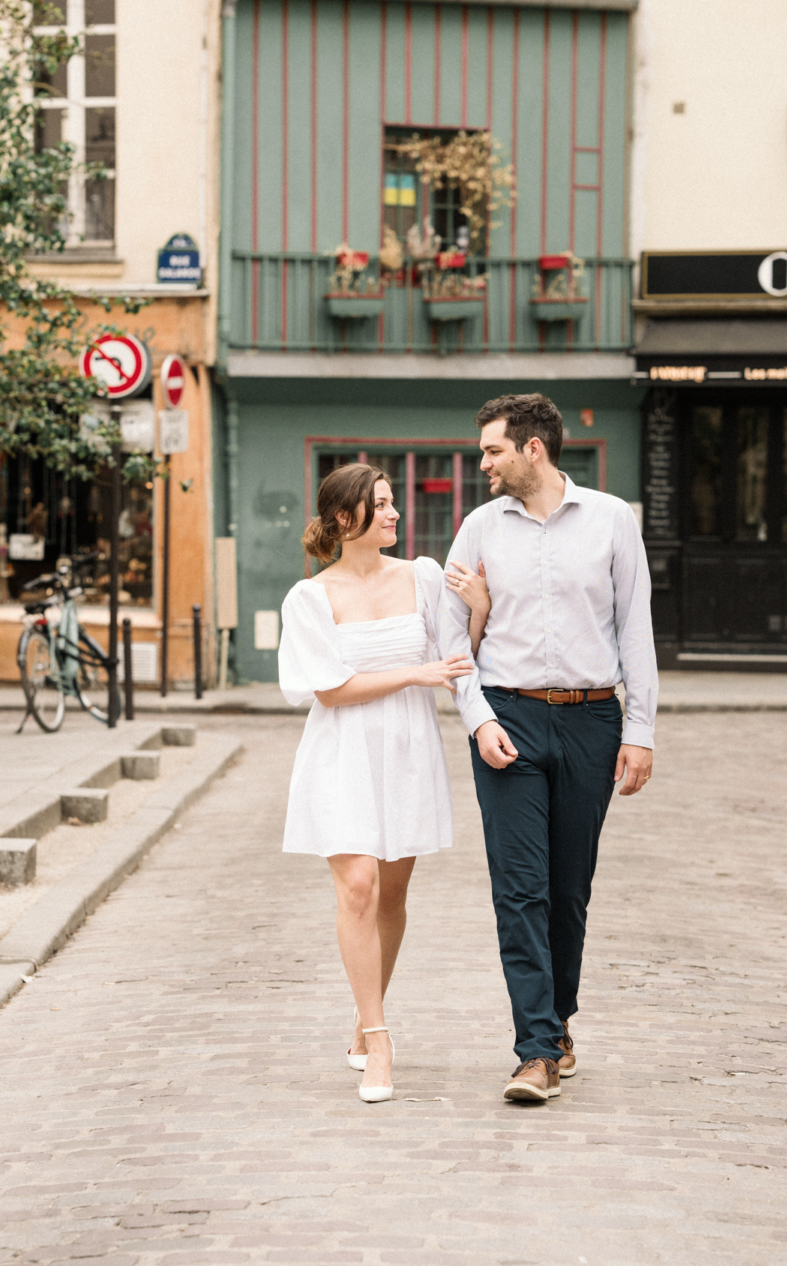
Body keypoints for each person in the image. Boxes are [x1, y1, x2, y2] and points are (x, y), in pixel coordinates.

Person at [439, 393, 658, 1105]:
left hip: (592, 720)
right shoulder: (478, 528)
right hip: (508, 715)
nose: (485, 464)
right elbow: (448, 639)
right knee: (520, 888)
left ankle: (558, 1025)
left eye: (493, 451)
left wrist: (640, 731)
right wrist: (477, 719)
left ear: (534, 449)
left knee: (568, 889)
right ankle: (534, 1049)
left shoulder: (612, 521)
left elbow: (635, 631)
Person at [278, 463, 483, 1104]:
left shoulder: (421, 576)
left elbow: (454, 658)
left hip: (406, 749)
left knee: (391, 896)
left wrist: (476, 612)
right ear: (346, 519)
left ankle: (363, 1016)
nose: (396, 514)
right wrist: (414, 674)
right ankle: (380, 1037)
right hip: (342, 753)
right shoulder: (309, 598)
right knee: (359, 888)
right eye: (383, 505)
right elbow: (331, 691)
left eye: (394, 504)